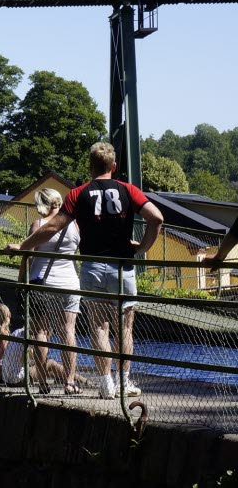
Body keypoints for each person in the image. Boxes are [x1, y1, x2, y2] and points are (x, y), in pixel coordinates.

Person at [9, 142, 164, 399]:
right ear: (114, 167)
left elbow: (51, 227)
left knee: (99, 327)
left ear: (90, 166)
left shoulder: (78, 194)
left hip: (92, 267)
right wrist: (141, 249)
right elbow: (156, 218)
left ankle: (105, 385)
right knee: (124, 327)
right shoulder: (128, 190)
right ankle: (124, 383)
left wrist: (23, 246)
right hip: (122, 267)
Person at [18, 188, 83, 394]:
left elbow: (27, 255)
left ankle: (43, 382)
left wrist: (21, 280)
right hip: (70, 284)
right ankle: (70, 381)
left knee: (41, 332)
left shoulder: (38, 225)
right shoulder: (75, 225)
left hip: (41, 283)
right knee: (68, 331)